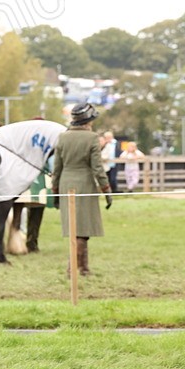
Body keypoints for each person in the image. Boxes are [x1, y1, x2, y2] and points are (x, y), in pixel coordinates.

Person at [51, 103, 112, 276]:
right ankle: (73, 268)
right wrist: (106, 190)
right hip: (84, 184)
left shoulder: (62, 137)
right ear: (88, 120)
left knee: (77, 229)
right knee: (82, 230)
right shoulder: (92, 138)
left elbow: (57, 168)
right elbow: (98, 169)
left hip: (65, 183)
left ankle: (84, 268)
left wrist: (55, 191)